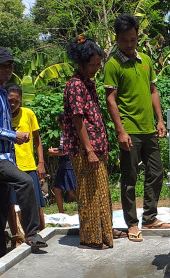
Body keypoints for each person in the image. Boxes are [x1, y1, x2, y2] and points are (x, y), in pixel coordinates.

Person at [0, 46, 44, 260]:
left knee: (0, 205)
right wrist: (13, 136)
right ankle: (32, 232)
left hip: (5, 156)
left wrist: (13, 136)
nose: (7, 70)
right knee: (25, 181)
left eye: (10, 66)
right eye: (3, 66)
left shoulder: (3, 91)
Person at [104, 13, 168, 242]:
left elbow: (153, 91)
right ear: (117, 39)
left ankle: (150, 217)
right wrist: (121, 131)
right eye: (124, 41)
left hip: (149, 128)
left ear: (137, 37)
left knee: (157, 172)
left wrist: (160, 120)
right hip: (129, 130)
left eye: (132, 39)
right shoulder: (113, 65)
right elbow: (111, 99)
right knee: (129, 178)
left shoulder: (145, 61)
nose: (129, 45)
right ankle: (132, 223)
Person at [62, 36, 114, 250]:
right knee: (89, 195)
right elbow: (78, 119)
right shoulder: (75, 85)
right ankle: (90, 239)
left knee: (101, 192)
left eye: (98, 64)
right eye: (92, 64)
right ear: (81, 63)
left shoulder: (88, 83)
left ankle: (102, 234)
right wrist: (90, 151)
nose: (96, 68)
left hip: (96, 148)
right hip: (85, 151)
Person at [5, 83, 47, 247]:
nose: (13, 104)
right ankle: (16, 236)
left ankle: (41, 233)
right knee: (11, 203)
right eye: (10, 101)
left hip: (28, 165)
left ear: (20, 100)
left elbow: (37, 140)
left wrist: (41, 162)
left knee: (35, 204)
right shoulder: (1, 116)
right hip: (9, 166)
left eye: (16, 101)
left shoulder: (28, 114)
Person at [49, 115, 77, 214]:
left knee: (72, 191)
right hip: (63, 165)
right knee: (57, 189)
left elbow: (65, 152)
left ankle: (85, 206)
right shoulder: (64, 134)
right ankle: (61, 212)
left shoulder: (70, 134)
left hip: (69, 165)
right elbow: (62, 149)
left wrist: (53, 153)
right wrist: (55, 150)